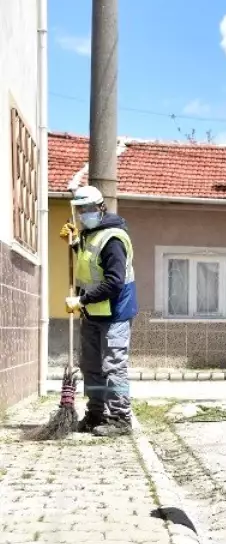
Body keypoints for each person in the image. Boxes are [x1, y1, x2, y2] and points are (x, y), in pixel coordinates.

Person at [59, 185, 138, 437]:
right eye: (80, 210)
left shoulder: (113, 239)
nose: (83, 214)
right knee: (91, 366)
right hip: (93, 312)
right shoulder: (88, 235)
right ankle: (95, 415)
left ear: (101, 207)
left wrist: (80, 301)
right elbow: (88, 264)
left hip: (115, 312)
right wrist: (72, 244)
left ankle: (120, 419)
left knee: (113, 366)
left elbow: (113, 282)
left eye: (88, 209)